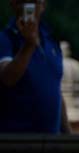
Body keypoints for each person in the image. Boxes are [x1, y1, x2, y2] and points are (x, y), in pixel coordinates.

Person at [0, 0, 70, 133]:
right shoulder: (4, 40)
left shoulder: (52, 42)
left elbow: (55, 90)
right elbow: (7, 78)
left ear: (43, 5)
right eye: (25, 2)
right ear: (13, 3)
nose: (30, 6)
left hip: (51, 144)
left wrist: (68, 134)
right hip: (15, 144)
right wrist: (29, 44)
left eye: (35, 2)